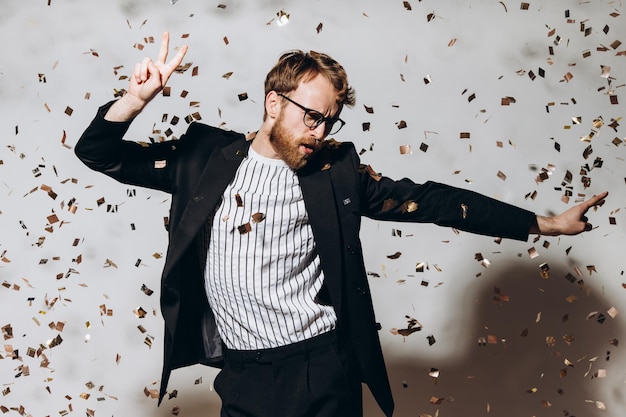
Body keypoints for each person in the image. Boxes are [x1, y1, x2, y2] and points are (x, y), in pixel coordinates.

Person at [75, 32, 608, 417]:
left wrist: (544, 223)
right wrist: (136, 99)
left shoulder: (336, 174)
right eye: (311, 115)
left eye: (330, 120)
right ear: (272, 103)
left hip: (318, 366)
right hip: (242, 374)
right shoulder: (203, 159)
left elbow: (431, 201)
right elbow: (99, 154)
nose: (319, 130)